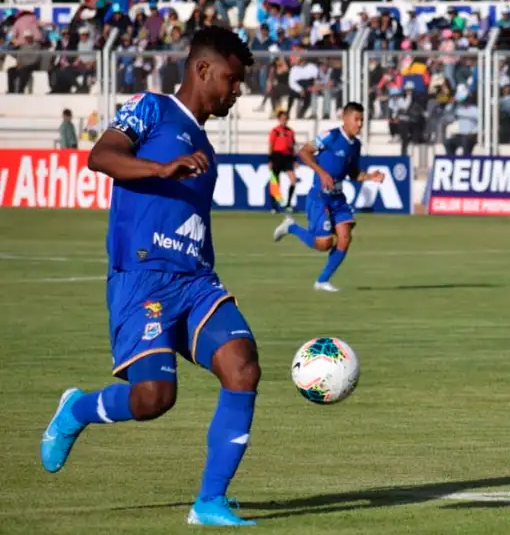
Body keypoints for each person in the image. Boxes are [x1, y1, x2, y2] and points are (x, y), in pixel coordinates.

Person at [40, 26, 260, 527]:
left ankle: (209, 503)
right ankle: (78, 410)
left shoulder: (205, 148)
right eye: (231, 78)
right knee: (154, 399)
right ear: (202, 69)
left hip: (195, 280)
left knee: (243, 367)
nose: (236, 89)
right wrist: (160, 169)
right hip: (142, 278)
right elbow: (101, 157)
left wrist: (211, 276)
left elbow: (192, 224)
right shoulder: (152, 108)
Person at [272, 103, 385, 293]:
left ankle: (322, 281)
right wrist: (322, 173)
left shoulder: (356, 145)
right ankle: (290, 227)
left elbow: (352, 172)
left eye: (362, 120)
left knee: (345, 238)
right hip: (319, 196)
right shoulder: (330, 136)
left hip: (337, 198)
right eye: (356, 119)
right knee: (324, 244)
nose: (359, 124)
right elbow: (303, 152)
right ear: (345, 119)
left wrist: (369, 176)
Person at [268, 110, 298, 213]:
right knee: (275, 182)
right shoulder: (275, 131)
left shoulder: (290, 132)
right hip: (277, 156)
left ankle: (288, 204)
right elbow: (271, 146)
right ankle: (274, 206)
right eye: (282, 119)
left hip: (287, 157)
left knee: (293, 180)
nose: (284, 121)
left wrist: (294, 160)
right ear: (279, 119)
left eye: (286, 119)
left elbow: (293, 146)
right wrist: (270, 160)